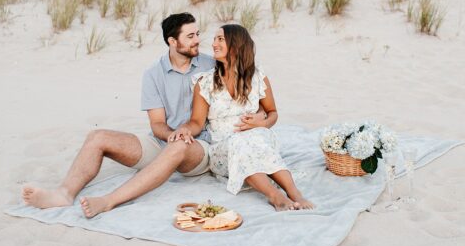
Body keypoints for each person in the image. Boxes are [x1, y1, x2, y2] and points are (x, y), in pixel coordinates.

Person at [20, 13, 214, 217]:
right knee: (98, 137)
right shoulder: (153, 74)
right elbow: (157, 123)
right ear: (172, 41)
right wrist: (170, 135)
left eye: (197, 34)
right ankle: (63, 194)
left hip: (196, 147)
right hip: (163, 143)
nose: (197, 40)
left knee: (179, 145)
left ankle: (108, 201)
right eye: (190, 36)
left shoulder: (211, 65)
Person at [170, 24, 314, 211]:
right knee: (241, 141)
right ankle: (275, 195)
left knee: (254, 138)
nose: (214, 43)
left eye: (220, 39)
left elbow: (272, 113)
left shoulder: (257, 77)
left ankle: (295, 194)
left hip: (257, 138)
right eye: (214, 39)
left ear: (236, 44)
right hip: (224, 149)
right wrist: (185, 129)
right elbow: (197, 122)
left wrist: (261, 123)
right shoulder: (204, 82)